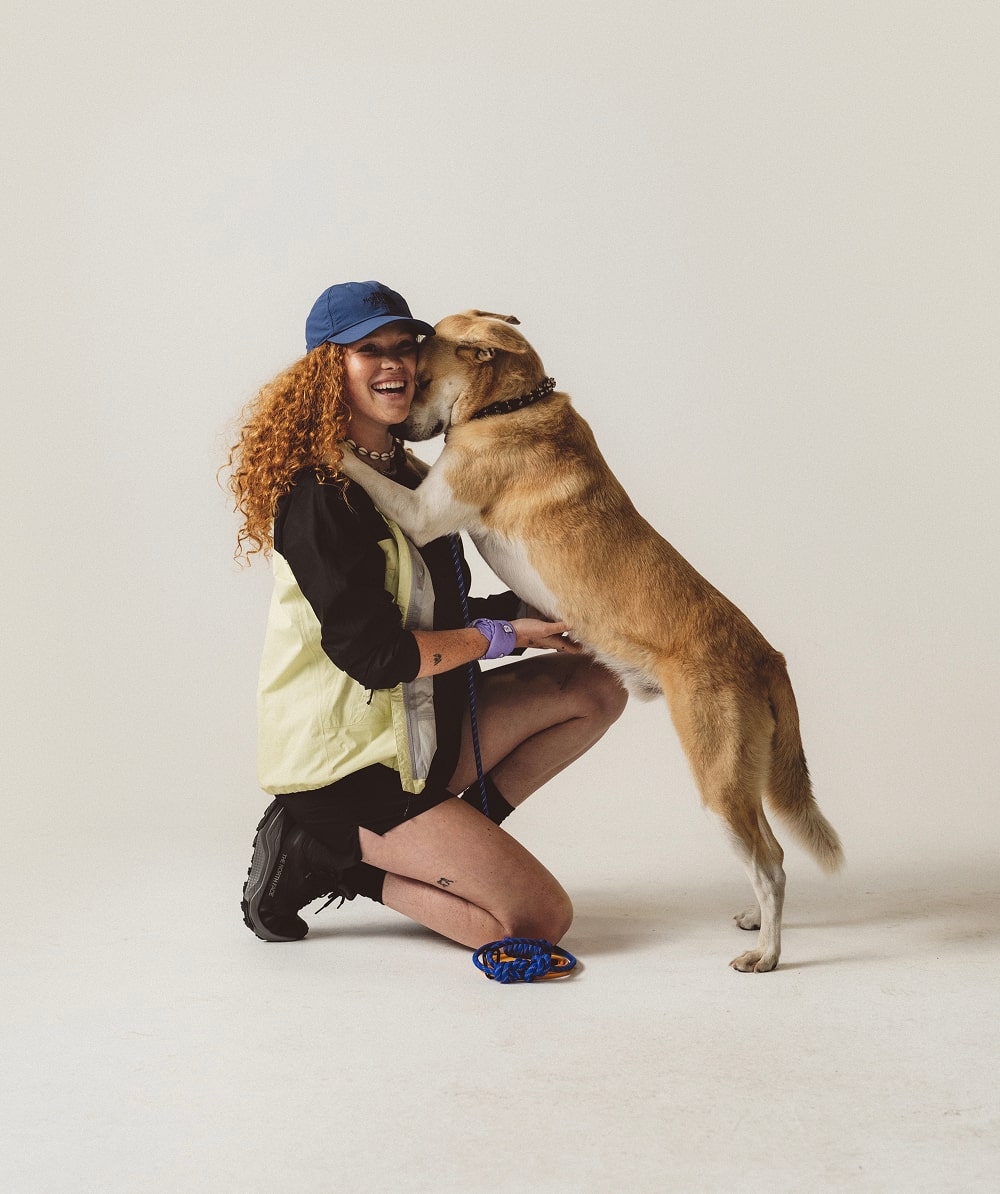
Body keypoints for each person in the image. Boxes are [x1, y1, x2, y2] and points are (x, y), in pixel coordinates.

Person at [225, 280, 627, 955]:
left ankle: (441, 838)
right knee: (532, 922)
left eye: (405, 348)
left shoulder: (410, 475)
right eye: (369, 350)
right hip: (349, 767)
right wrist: (502, 637)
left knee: (594, 686)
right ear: (331, 367)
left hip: (418, 735)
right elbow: (376, 654)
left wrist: (534, 616)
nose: (395, 364)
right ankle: (336, 860)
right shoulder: (318, 493)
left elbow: (436, 611)